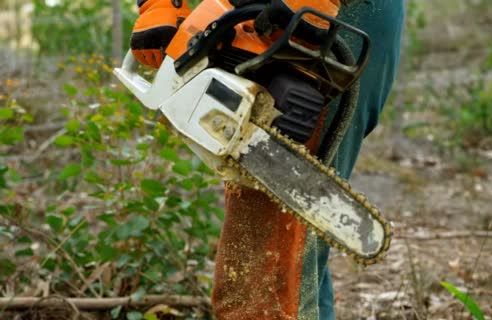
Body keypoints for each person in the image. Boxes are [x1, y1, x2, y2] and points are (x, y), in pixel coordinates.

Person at [130, 0, 405, 319]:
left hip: (327, 16)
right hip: (281, 17)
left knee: (263, 276)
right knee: (295, 257)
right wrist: (158, 5)